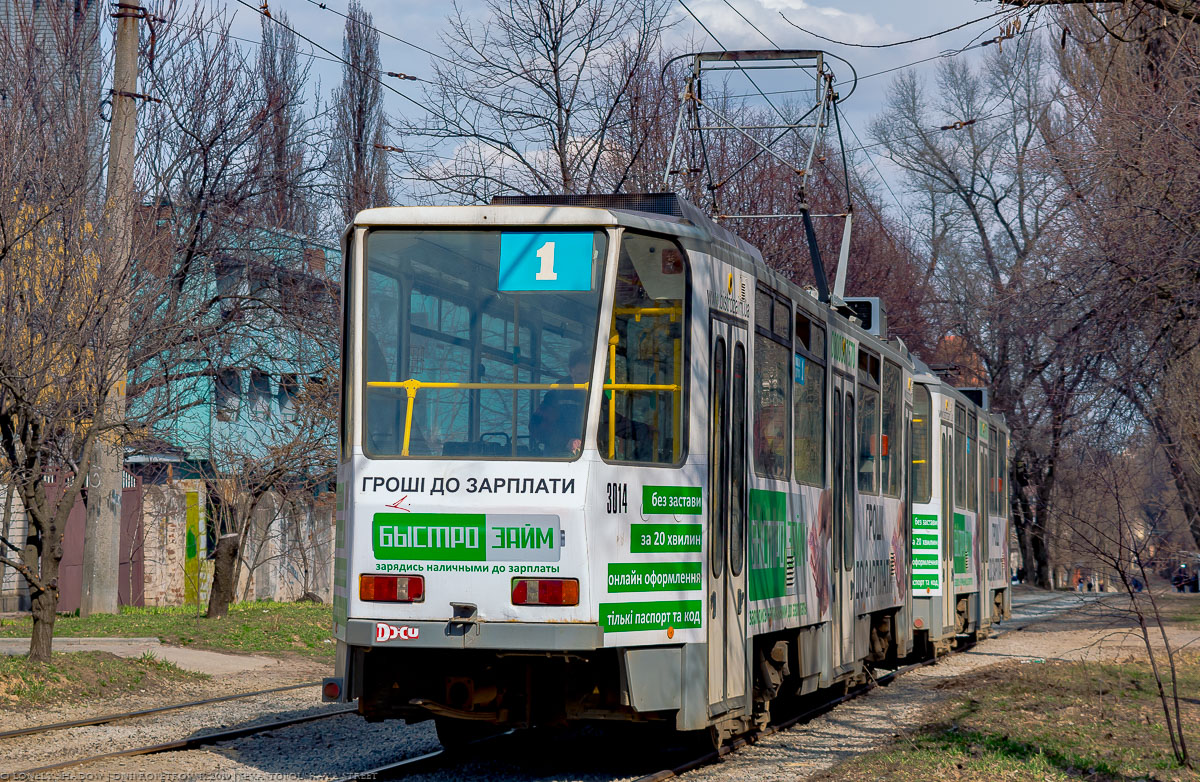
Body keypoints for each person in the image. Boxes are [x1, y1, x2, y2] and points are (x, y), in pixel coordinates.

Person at [531, 346, 590, 456]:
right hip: (559, 457)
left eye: (589, 375)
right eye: (581, 374)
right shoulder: (557, 395)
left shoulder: (597, 393)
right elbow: (537, 427)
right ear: (571, 371)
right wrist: (566, 442)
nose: (586, 379)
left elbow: (609, 421)